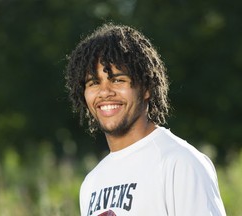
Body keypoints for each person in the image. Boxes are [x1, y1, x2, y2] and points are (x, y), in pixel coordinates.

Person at [65, 23, 226, 216]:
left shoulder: (180, 163)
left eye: (118, 80)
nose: (105, 92)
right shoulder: (91, 183)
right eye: (94, 83)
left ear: (146, 88)